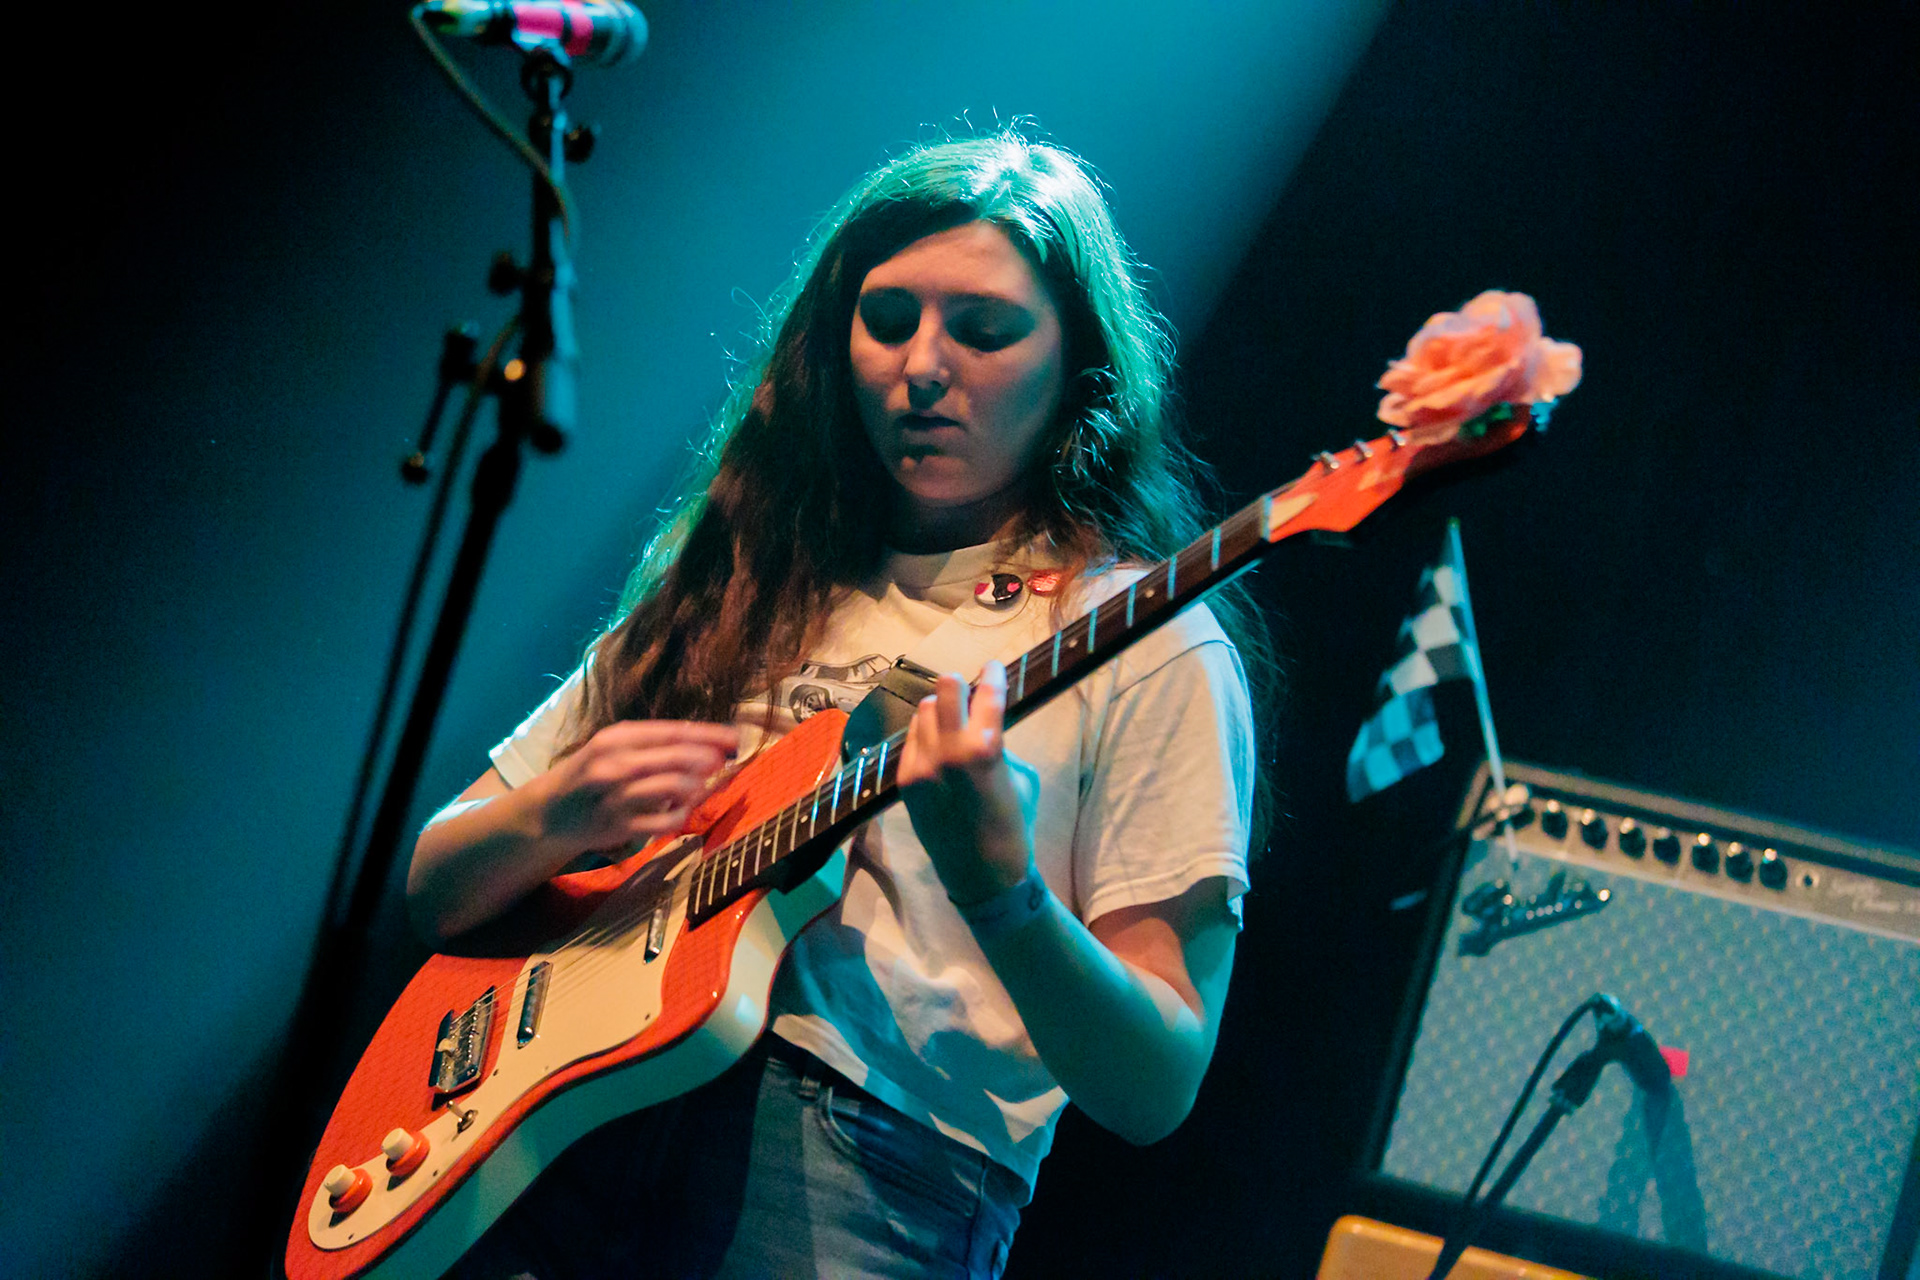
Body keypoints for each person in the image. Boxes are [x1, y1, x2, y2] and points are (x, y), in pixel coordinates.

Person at [407, 128, 1270, 1279]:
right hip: (571, 1116)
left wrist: (1001, 891)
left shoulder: (1147, 642)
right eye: (887, 316)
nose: (921, 365)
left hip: (865, 1166)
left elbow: (1156, 1081)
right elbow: (435, 880)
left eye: (984, 328)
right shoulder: (739, 578)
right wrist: (560, 811)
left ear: (1080, 366)